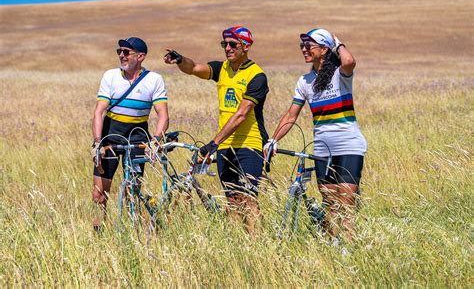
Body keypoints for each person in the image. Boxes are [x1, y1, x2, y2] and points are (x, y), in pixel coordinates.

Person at [265, 28, 367, 242]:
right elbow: (291, 116)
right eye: (301, 46)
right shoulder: (304, 81)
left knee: (346, 202)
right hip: (322, 148)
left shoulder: (340, 73)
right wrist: (273, 140)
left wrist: (337, 42)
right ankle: (332, 247)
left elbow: (349, 61)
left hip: (348, 144)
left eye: (308, 46)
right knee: (329, 203)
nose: (303, 50)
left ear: (323, 49)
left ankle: (348, 250)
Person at [163, 26, 269, 233]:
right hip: (225, 146)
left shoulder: (257, 76)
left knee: (248, 198)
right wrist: (179, 59)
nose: (227, 48)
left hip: (250, 144)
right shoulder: (223, 69)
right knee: (232, 200)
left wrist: (213, 143)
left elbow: (241, 114)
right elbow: (194, 68)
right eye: (224, 44)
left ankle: (258, 243)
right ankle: (238, 244)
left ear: (246, 46)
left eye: (232, 44)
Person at [91, 37, 169, 230]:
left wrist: (156, 140)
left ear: (140, 56)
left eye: (127, 52)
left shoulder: (154, 80)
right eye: (120, 51)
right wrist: (97, 143)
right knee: (99, 194)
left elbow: (163, 116)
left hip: (138, 136)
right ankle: (99, 234)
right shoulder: (110, 76)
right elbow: (99, 112)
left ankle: (133, 231)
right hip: (110, 134)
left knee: (132, 192)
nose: (122, 55)